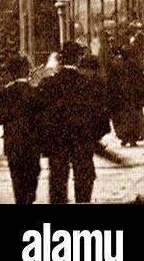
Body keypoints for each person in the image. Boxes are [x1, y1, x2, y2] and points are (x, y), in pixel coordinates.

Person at [35, 41, 111, 204]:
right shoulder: (89, 84)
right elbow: (100, 113)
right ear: (79, 58)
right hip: (82, 140)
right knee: (84, 178)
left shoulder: (49, 83)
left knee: (57, 180)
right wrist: (95, 137)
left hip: (57, 141)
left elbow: (39, 114)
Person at [0, 55, 41, 204]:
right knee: (32, 176)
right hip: (33, 144)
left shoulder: (5, 93)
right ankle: (29, 199)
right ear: (27, 71)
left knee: (17, 179)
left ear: (11, 73)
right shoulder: (35, 92)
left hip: (13, 145)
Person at [106, 47, 144, 147]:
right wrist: (142, 95)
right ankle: (132, 138)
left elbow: (110, 83)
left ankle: (124, 137)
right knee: (132, 117)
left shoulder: (113, 66)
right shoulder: (133, 66)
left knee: (120, 118)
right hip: (131, 98)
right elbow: (141, 82)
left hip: (119, 98)